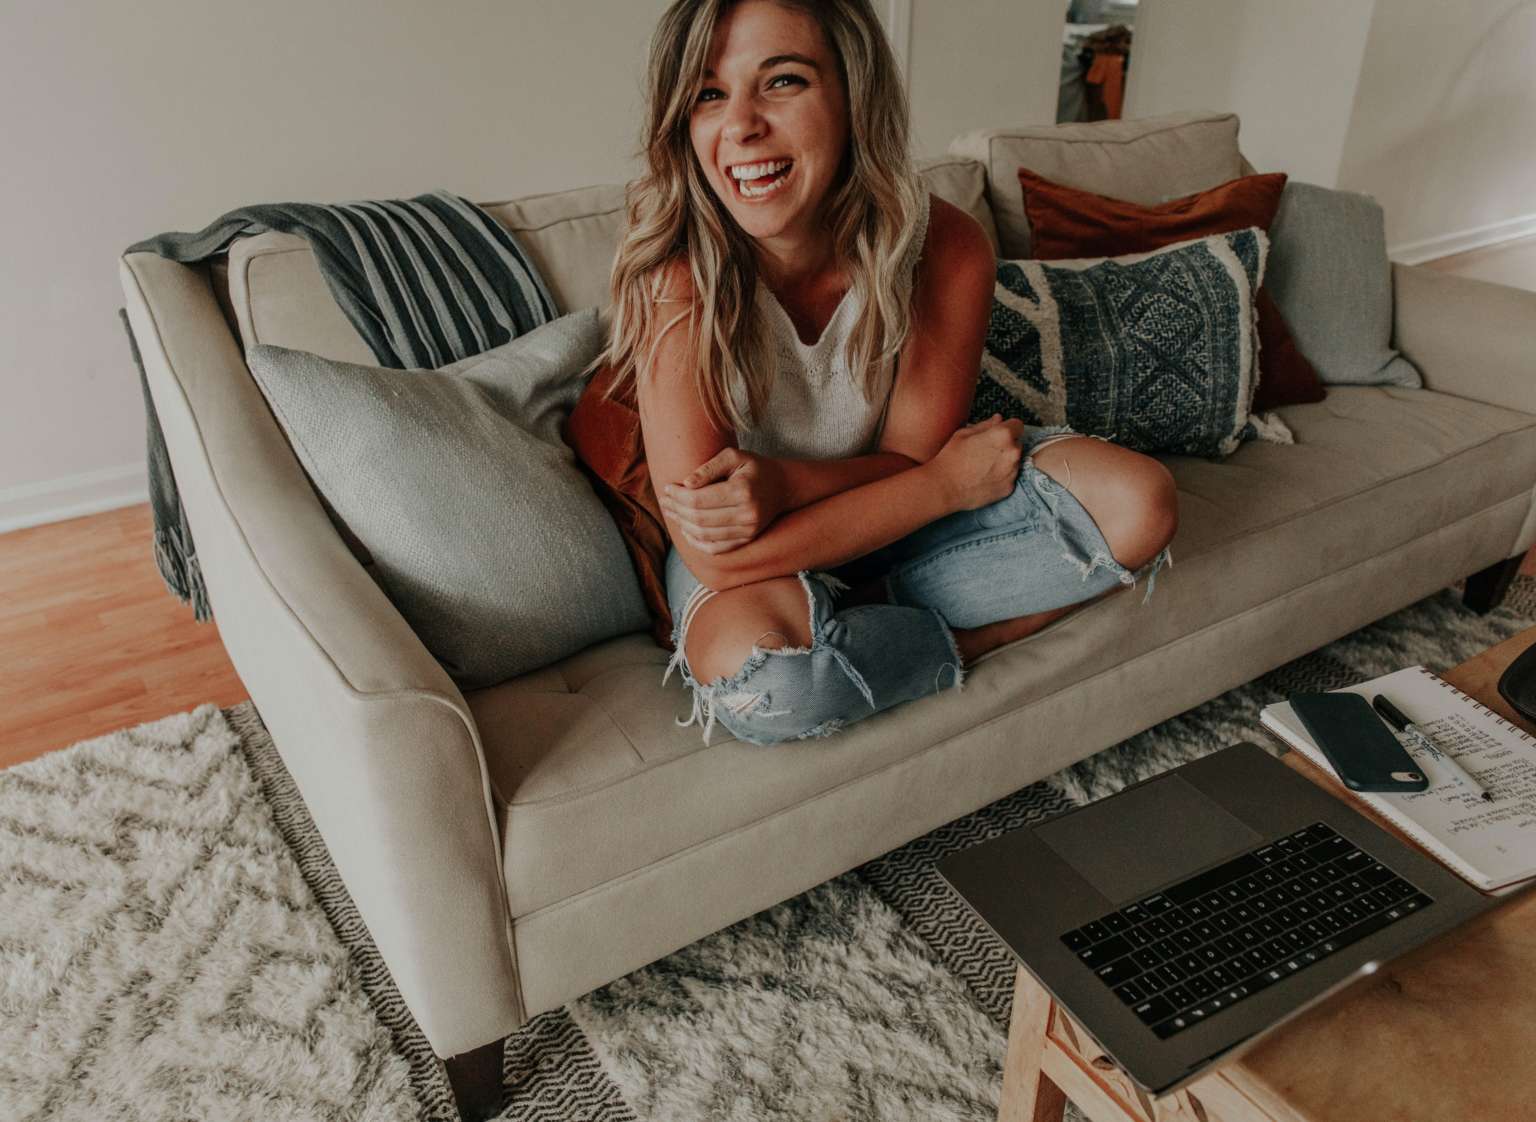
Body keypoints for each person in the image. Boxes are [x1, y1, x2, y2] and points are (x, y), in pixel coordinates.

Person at [588, 0, 1177, 747]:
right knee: (770, 683)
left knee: (1140, 503)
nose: (740, 125)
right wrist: (947, 487)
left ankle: (870, 612)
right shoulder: (675, 277)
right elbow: (718, 554)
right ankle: (967, 638)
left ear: (853, 93)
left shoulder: (941, 245)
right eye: (709, 93)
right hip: (767, 559)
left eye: (782, 81)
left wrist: (791, 482)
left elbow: (909, 455)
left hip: (898, 521)